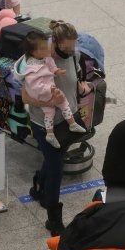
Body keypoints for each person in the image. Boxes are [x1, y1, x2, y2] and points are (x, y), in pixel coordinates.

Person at [19, 20, 88, 236]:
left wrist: (82, 86)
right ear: (54, 43)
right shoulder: (36, 61)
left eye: (73, 47)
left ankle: (39, 184)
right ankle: (54, 220)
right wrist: (47, 103)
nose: (70, 51)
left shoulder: (74, 55)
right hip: (44, 123)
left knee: (53, 159)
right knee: (57, 167)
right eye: (66, 47)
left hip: (67, 119)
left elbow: (76, 77)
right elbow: (25, 96)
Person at [14, 31, 86, 147]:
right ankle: (50, 134)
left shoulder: (48, 58)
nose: (47, 50)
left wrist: (57, 71)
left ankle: (72, 124)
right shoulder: (31, 69)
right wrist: (50, 91)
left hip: (51, 90)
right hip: (43, 94)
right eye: (44, 48)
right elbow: (34, 88)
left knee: (64, 104)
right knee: (50, 112)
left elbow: (52, 67)